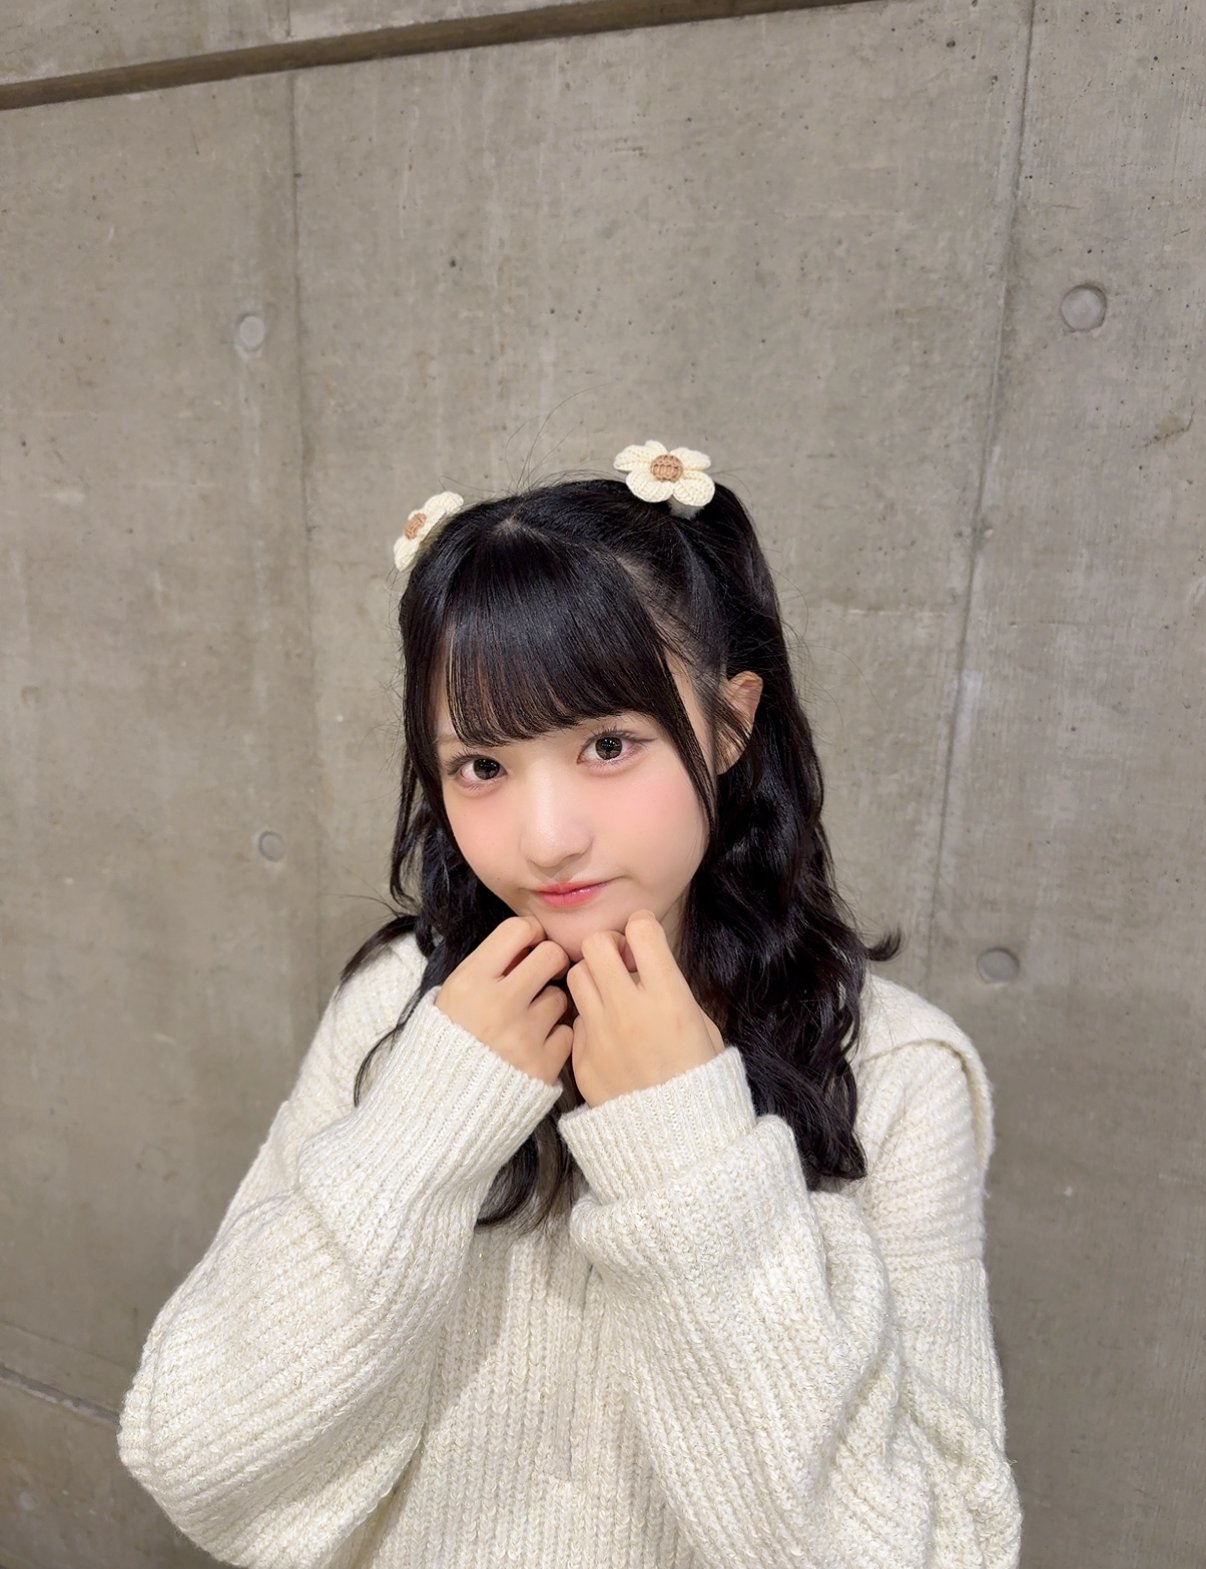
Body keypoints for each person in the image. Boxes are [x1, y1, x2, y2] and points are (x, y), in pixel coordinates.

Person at [117, 438, 1023, 1568]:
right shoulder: (403, 1006)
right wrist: (429, 1121)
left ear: (729, 722)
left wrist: (687, 1147)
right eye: (482, 767)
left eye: (607, 744)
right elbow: (193, 1454)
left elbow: (940, 1549)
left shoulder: (893, 1071)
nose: (545, 839)